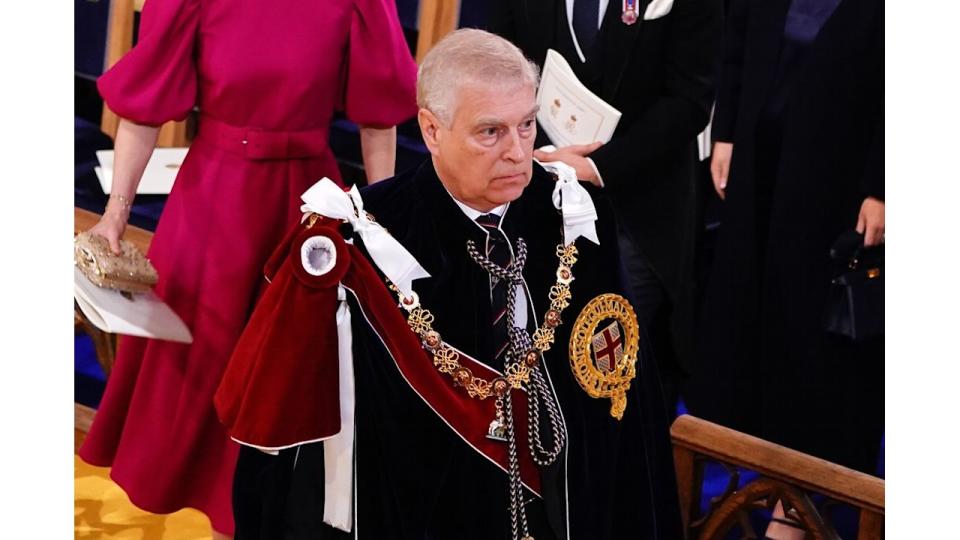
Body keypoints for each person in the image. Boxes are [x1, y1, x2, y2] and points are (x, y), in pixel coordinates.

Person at [215, 29, 682, 539]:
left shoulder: (573, 216)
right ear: (432, 131)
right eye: (490, 132)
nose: (517, 152)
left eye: (526, 125)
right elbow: (288, 458)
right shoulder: (358, 244)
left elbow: (621, 404)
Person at [77, 0, 418, 537]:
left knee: (287, 390)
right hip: (214, 208)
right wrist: (114, 218)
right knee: (202, 389)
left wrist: (374, 226)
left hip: (308, 218)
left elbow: (379, 118)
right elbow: (143, 110)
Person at [687, 0, 883, 535]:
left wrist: (884, 185)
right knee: (749, 327)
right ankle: (746, 489)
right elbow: (738, 38)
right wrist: (725, 131)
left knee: (813, 347)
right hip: (760, 169)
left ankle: (795, 510)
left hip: (840, 188)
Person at [489, 0, 723, 413]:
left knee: (609, 379)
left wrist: (595, 166)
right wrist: (531, 152)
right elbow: (498, 59)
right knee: (522, 364)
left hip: (639, 215)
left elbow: (690, 100)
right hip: (530, 190)